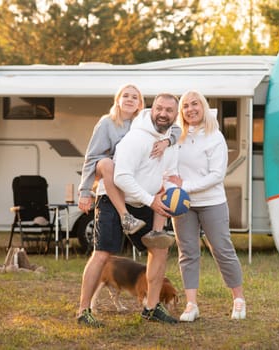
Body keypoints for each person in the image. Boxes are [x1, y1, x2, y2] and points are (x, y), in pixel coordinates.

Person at [77, 93, 180, 327]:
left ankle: (151, 308)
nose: (163, 113)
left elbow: (169, 174)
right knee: (103, 254)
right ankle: (83, 311)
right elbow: (121, 177)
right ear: (151, 110)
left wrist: (173, 190)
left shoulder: (172, 143)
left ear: (176, 115)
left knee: (160, 249)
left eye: (169, 110)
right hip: (115, 198)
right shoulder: (136, 137)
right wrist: (85, 190)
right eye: (160, 109)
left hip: (144, 200)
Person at [167, 90, 246, 322]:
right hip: (183, 204)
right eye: (185, 106)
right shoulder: (176, 137)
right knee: (187, 252)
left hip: (212, 202)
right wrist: (172, 188)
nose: (190, 109)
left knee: (222, 249)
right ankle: (191, 305)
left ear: (203, 107)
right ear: (181, 111)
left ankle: (238, 299)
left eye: (195, 104)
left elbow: (216, 176)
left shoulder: (215, 137)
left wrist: (185, 186)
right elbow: (169, 168)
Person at [77, 84, 179, 239]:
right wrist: (85, 192)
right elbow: (91, 157)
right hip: (104, 168)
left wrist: (167, 142)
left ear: (140, 104)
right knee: (107, 164)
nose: (129, 100)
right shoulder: (107, 123)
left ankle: (158, 232)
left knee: (160, 182)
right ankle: (125, 215)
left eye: (134, 97)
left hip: (125, 171)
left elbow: (176, 129)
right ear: (117, 100)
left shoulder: (142, 122)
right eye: (125, 96)